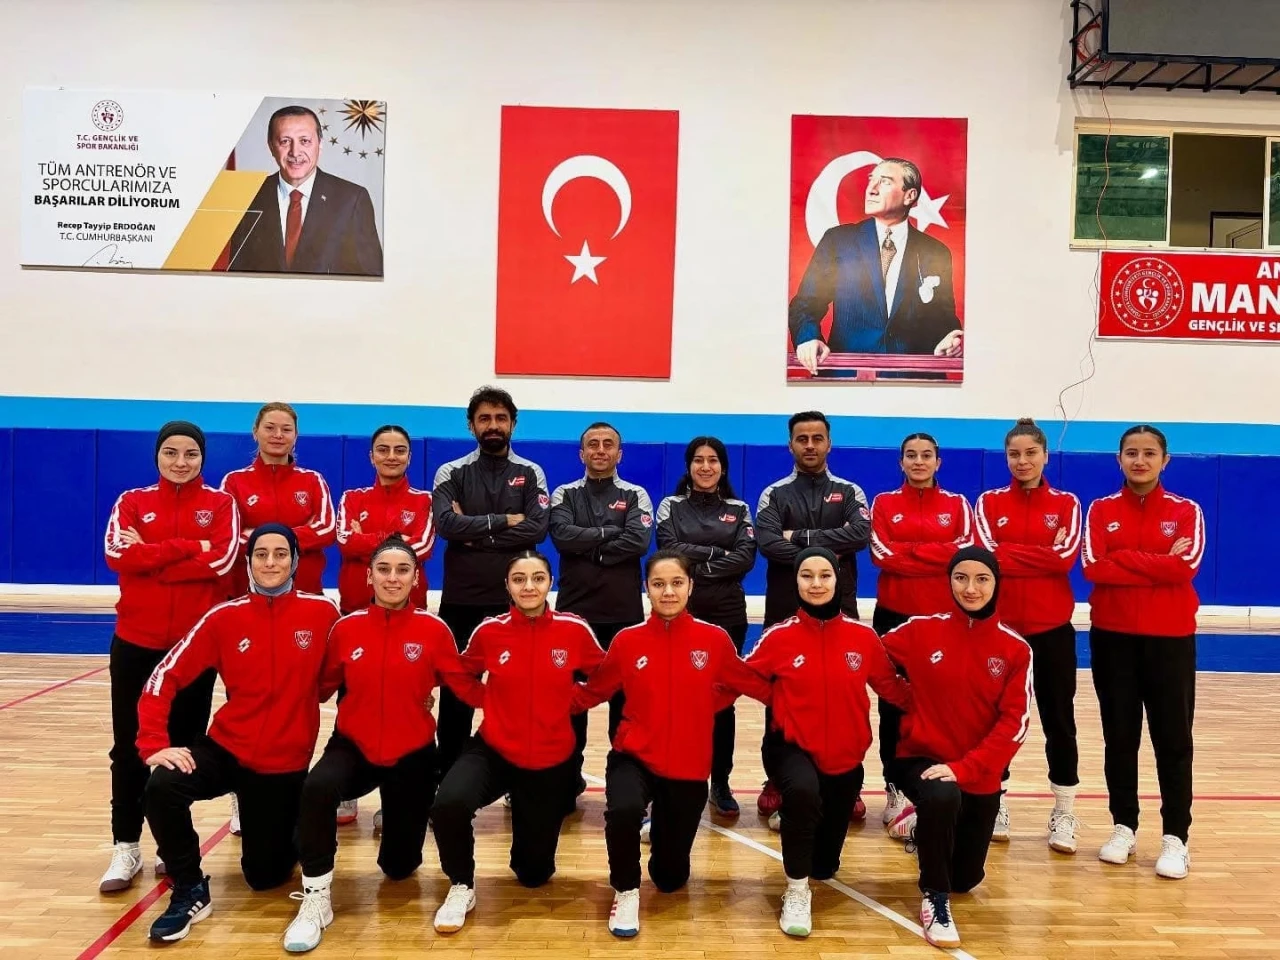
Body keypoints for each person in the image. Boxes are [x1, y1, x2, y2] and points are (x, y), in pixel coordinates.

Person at [138, 524, 340, 943]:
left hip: (283, 763)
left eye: (281, 554)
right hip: (227, 748)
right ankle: (190, 888)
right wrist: (154, 743)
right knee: (162, 787)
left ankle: (289, 823)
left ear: (295, 561)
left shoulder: (323, 613)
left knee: (265, 876)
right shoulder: (223, 617)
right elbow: (164, 676)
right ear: (248, 562)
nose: (271, 562)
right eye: (261, 554)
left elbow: (345, 673)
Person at [281, 535, 478, 953]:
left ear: (416, 578)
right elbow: (319, 687)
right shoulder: (345, 628)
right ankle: (316, 894)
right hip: (355, 746)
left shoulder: (435, 630)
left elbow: (463, 685)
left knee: (400, 868)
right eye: (383, 570)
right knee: (318, 787)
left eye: (403, 570)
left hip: (412, 754)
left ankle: (393, 821)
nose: (393, 578)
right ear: (369, 577)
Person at [573, 550, 771, 939]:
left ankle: (661, 830)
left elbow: (749, 683)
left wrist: (707, 704)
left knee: (669, 878)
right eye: (659, 584)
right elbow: (592, 691)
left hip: (688, 764)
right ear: (646, 588)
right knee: (624, 810)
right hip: (634, 754)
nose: (668, 592)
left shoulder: (714, 640)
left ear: (690, 587)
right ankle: (625, 890)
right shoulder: (627, 641)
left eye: (676, 583)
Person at [429, 552, 605, 934]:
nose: (529, 586)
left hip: (550, 759)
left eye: (538, 578)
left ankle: (530, 854)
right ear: (507, 586)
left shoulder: (574, 630)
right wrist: (485, 699)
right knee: (448, 803)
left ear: (550, 583)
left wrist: (575, 700)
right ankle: (461, 885)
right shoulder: (489, 632)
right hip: (494, 749)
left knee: (533, 874)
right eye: (519, 579)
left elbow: (607, 673)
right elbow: (461, 672)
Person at [99, 420, 239, 894]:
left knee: (182, 745)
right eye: (171, 453)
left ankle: (170, 843)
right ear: (157, 456)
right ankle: (125, 845)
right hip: (135, 642)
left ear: (203, 458)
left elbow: (222, 562)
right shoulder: (132, 502)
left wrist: (153, 558)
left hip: (192, 647)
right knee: (129, 746)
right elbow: (118, 556)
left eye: (190, 454)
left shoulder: (220, 504)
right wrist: (188, 549)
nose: (181, 462)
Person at [743, 547, 910, 938]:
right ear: (795, 582)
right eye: (806, 576)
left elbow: (893, 690)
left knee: (825, 866)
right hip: (791, 746)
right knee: (802, 792)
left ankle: (804, 831)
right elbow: (741, 677)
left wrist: (942, 701)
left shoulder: (863, 638)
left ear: (838, 579)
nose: (815, 584)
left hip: (845, 757)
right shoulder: (778, 637)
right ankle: (796, 890)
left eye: (824, 575)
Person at [880, 546, 1032, 949]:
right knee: (942, 797)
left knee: (965, 879)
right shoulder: (919, 630)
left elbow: (1014, 725)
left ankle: (924, 826)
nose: (970, 588)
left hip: (976, 773)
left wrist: (965, 768)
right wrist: (902, 696)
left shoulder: (1015, 649)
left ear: (996, 584)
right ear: (949, 581)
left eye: (982, 579)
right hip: (920, 757)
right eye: (960, 578)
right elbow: (869, 658)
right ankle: (934, 898)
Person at [1082, 424, 1204, 880]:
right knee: (1120, 737)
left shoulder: (1186, 511)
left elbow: (1185, 567)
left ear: (1164, 461)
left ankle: (1176, 837)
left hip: (1170, 640)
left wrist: (1123, 557)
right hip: (1112, 638)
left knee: (1173, 740)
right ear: (1119, 459)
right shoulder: (1101, 509)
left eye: (1149, 453)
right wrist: (1159, 562)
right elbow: (1094, 566)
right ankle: (1123, 826)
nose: (1140, 460)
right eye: (1131, 452)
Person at [755, 410, 871, 818]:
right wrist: (825, 549)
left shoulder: (850, 491)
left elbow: (860, 534)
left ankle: (845, 781)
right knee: (779, 696)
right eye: (801, 438)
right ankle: (778, 777)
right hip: (785, 609)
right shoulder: (774, 494)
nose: (809, 445)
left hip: (840, 612)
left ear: (828, 443)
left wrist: (800, 538)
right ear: (790, 445)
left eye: (816, 438)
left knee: (842, 694)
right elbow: (768, 542)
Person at [975, 418, 1083, 853]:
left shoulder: (1067, 503)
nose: (1022, 461)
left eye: (1030, 453)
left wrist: (1013, 553)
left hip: (1052, 630)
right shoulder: (988, 502)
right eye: (1014, 454)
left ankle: (1064, 811)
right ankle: (995, 801)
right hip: (999, 633)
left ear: (1045, 456)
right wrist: (1041, 553)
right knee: (993, 720)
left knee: (1059, 721)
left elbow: (1064, 560)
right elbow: (988, 557)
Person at [432, 386, 549, 779]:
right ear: (471, 425)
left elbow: (537, 528)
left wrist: (474, 532)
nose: (493, 425)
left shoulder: (531, 472)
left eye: (501, 418)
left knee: (518, 690)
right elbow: (447, 525)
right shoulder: (451, 472)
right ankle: (448, 775)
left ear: (513, 423)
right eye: (485, 418)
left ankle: (517, 777)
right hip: (462, 599)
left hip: (516, 602)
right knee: (457, 693)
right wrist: (504, 521)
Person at [868, 433, 974, 832]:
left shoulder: (957, 504)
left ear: (938, 462)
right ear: (901, 462)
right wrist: (935, 553)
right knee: (892, 705)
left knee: (942, 705)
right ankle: (896, 789)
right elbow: (882, 555)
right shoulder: (884, 503)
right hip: (893, 618)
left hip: (943, 620)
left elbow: (962, 554)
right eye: (911, 455)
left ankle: (941, 784)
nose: (918, 461)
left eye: (926, 455)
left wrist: (909, 550)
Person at [550, 422, 653, 799]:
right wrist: (610, 533)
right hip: (574, 618)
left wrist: (588, 547)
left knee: (624, 707)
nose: (600, 450)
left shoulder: (635, 494)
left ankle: (624, 787)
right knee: (570, 706)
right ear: (581, 453)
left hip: (623, 617)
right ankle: (566, 781)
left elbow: (638, 541)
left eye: (608, 444)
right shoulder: (565, 493)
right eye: (592, 444)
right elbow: (561, 536)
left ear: (619, 454)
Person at [656, 435, 757, 817]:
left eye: (713, 460)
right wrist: (718, 554)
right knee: (671, 698)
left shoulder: (738, 508)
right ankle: (668, 778)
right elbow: (669, 551)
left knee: (721, 704)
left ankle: (721, 782)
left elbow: (745, 557)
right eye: (698, 460)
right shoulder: (671, 506)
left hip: (728, 614)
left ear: (723, 467)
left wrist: (697, 565)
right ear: (689, 466)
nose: (705, 467)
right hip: (679, 614)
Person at [788, 157, 962, 374]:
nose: (871, 189)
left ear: (909, 195)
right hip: (847, 378)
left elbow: (943, 318)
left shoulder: (935, 251)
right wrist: (808, 338)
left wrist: (950, 338)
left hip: (913, 381)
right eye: (871, 180)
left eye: (885, 181)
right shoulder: (838, 241)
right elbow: (805, 305)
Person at [228, 104, 383, 276]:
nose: (295, 152)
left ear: (320, 144)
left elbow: (370, 277)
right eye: (285, 141)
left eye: (305, 141)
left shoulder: (352, 199)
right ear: (271, 147)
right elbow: (236, 275)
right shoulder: (247, 196)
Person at [219, 401, 336, 599]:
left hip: (305, 592)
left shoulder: (312, 480)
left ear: (295, 436)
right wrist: (302, 534)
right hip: (247, 594)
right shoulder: (234, 481)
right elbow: (228, 538)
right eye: (270, 428)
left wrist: (256, 535)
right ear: (255, 432)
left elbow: (327, 529)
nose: (278, 435)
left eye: (286, 429)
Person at [336, 424, 435, 615]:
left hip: (410, 609)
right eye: (383, 450)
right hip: (356, 607)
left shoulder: (425, 500)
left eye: (400, 451)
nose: (391, 456)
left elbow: (422, 547)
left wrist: (363, 541)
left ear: (409, 458)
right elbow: (346, 542)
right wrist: (398, 539)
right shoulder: (352, 498)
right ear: (372, 457)